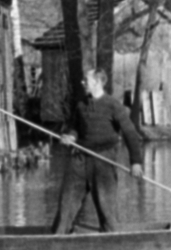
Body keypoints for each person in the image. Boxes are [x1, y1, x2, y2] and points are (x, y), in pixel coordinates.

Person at [51, 69, 145, 234]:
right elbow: (75, 127)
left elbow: (130, 133)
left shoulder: (113, 105)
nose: (82, 83)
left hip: (103, 160)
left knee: (106, 206)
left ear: (97, 82)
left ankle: (111, 238)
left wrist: (135, 161)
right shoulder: (80, 104)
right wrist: (71, 137)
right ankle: (59, 237)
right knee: (67, 202)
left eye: (86, 80)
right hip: (79, 159)